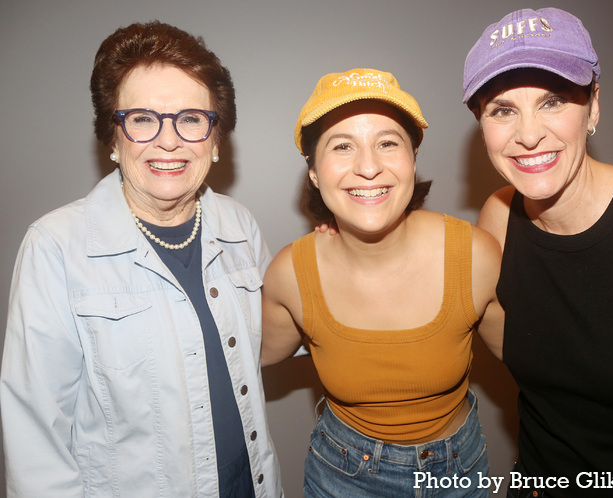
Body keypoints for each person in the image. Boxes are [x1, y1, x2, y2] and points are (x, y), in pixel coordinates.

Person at [0, 21, 282, 497]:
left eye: (191, 118)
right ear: (112, 138)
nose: (168, 141)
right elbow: (36, 438)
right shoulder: (55, 246)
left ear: (215, 141)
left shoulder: (240, 226)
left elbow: (280, 333)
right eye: (143, 118)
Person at [463, 7, 613, 497]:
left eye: (553, 101)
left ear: (594, 106)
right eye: (502, 109)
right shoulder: (497, 218)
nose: (528, 134)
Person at [261, 68, 503, 497]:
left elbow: (539, 362)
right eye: (342, 146)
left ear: (412, 159)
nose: (368, 167)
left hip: (458, 471)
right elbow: (238, 358)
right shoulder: (290, 275)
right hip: (343, 476)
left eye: (388, 143)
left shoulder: (475, 256)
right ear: (314, 172)